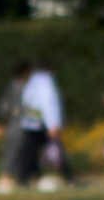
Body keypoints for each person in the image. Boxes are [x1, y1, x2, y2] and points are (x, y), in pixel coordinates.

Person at [21, 59, 68, 187]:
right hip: (43, 123)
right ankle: (69, 177)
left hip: (30, 122)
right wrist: (53, 123)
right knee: (57, 151)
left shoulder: (31, 83)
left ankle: (25, 178)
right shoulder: (46, 83)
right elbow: (49, 104)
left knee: (30, 152)